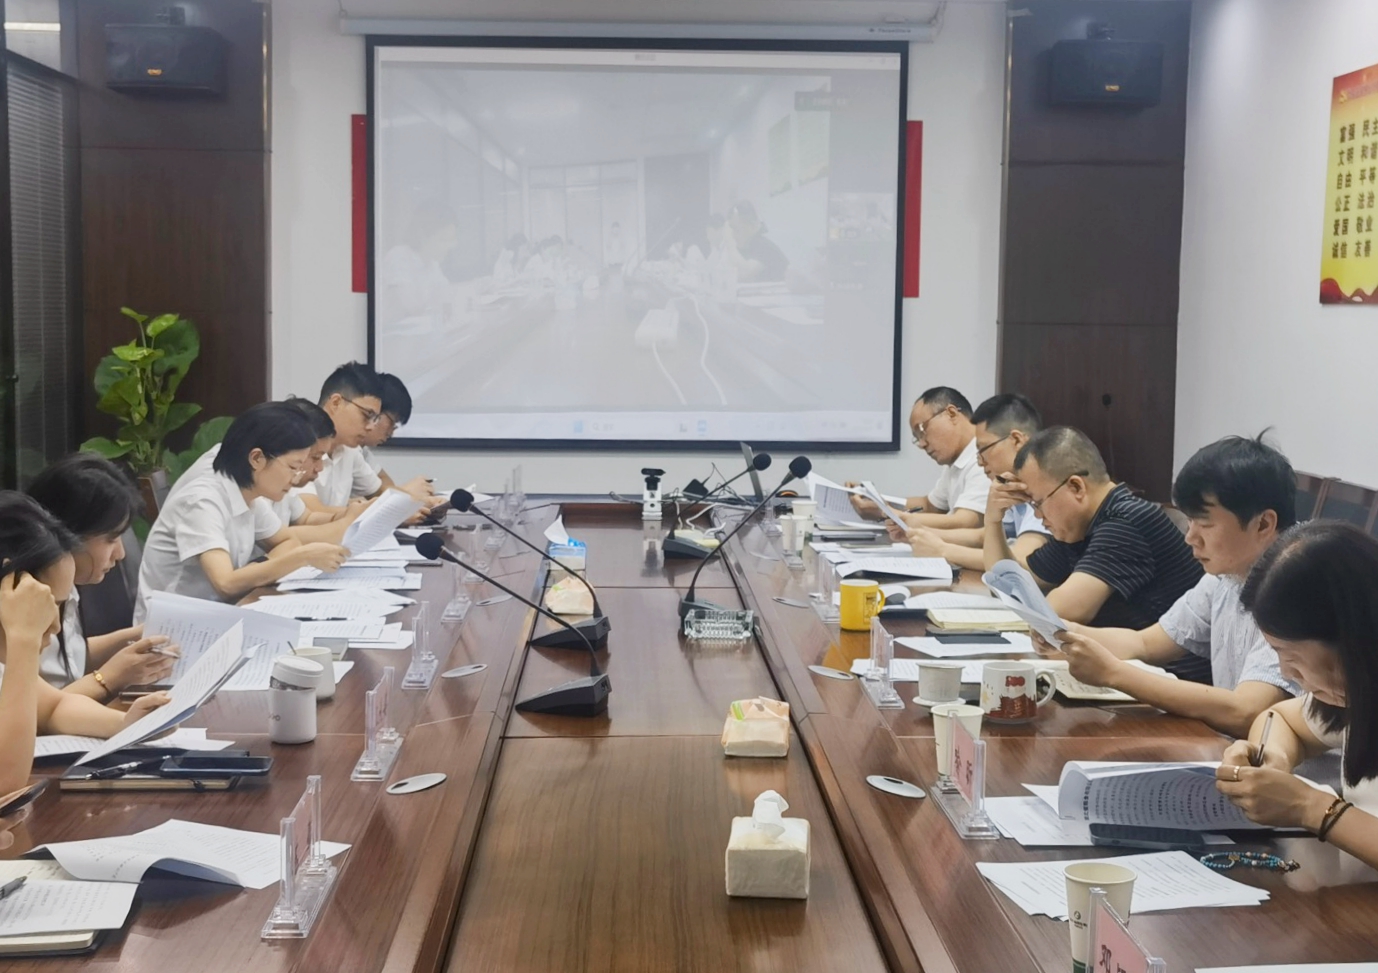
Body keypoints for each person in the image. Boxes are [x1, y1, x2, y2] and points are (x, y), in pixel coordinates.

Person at [1033, 435, 1300, 737]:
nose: (1191, 537)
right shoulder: (1225, 576)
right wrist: (1066, 633)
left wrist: (1113, 673)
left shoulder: (1296, 587)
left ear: (1263, 524)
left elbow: (1247, 712)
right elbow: (1146, 644)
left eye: (1206, 524)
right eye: (1190, 522)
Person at [1215, 522, 1378, 870]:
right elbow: (1280, 718)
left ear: (1351, 639)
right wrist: (1274, 758)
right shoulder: (1358, 697)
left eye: (1290, 655)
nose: (1286, 673)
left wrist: (1309, 807)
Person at [0, 493, 171, 795]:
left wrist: (127, 723)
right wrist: (24, 639)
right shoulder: (21, 644)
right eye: (47, 607)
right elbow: (5, 780)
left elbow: (55, 706)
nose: (56, 627)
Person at [135, 403, 350, 619]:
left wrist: (260, 567)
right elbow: (226, 584)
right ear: (257, 458)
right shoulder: (203, 501)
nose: (295, 479)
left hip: (219, 613)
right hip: (171, 625)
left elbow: (288, 541)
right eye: (293, 468)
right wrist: (303, 558)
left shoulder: (249, 495)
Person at [993, 426, 1203, 631]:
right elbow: (1008, 583)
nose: (1038, 515)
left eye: (1038, 503)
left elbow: (1061, 611)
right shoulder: (1080, 528)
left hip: (1168, 656)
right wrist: (993, 519)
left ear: (1076, 487)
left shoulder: (1127, 521)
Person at [26, 454, 179, 698]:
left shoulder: (65, 580)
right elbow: (37, 707)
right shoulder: (21, 599)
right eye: (111, 539)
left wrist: (141, 635)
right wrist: (109, 677)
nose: (120, 554)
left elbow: (68, 658)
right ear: (67, 531)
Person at [904, 393, 1049, 571]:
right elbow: (983, 536)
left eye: (983, 449)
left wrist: (943, 550)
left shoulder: (1045, 489)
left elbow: (1021, 561)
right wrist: (917, 534)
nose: (980, 462)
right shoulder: (1015, 488)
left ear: (1017, 440)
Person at [850, 387, 990, 531]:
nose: (922, 444)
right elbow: (930, 506)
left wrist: (887, 513)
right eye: (917, 438)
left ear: (951, 414)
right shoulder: (956, 462)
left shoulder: (986, 458)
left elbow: (966, 522)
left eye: (922, 430)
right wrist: (879, 502)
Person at [727, 201, 788, 282]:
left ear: (752, 226)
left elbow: (743, 274)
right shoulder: (745, 248)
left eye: (736, 229)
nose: (733, 235)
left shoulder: (763, 246)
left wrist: (730, 245)